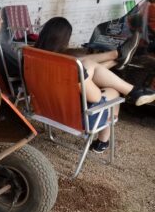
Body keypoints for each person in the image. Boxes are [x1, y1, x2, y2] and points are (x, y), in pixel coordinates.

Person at [35, 17, 155, 153]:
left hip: (45, 109)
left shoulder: (31, 56)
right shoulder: (68, 67)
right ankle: (103, 141)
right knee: (113, 91)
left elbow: (81, 68)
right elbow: (94, 97)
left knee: (85, 66)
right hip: (77, 118)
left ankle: (117, 58)